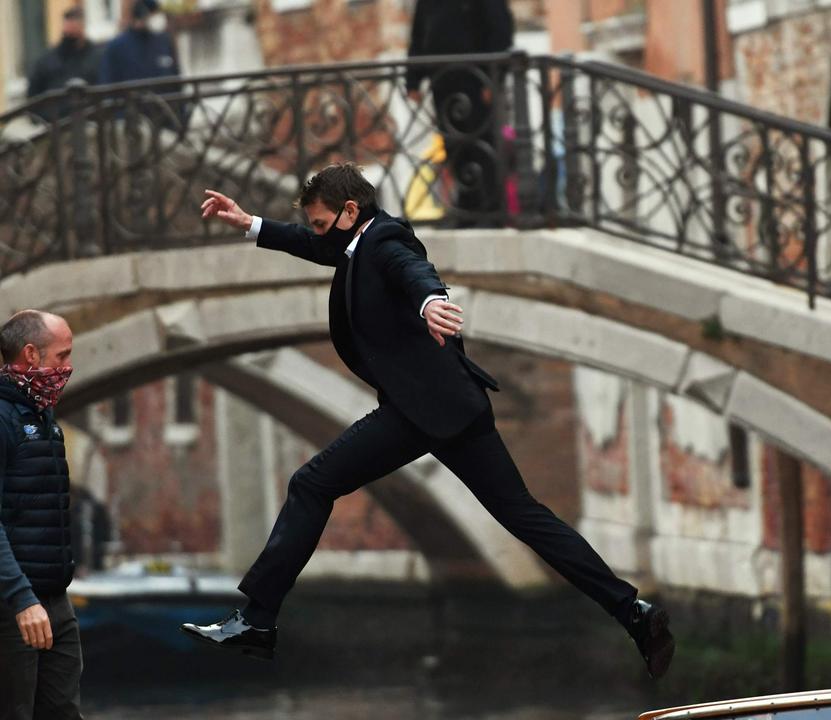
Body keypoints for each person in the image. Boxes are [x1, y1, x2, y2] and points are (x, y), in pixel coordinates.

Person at [186, 164, 676, 679]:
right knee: (525, 516)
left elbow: (412, 270)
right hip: (451, 405)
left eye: (320, 221)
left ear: (350, 212)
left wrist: (430, 301)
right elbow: (319, 247)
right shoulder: (352, 242)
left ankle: (257, 622)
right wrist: (250, 223)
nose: (316, 233)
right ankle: (634, 613)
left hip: (419, 411)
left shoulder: (386, 241)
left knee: (311, 483)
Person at [0, 310, 83, 720]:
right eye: (61, 356)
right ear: (31, 354)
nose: (67, 369)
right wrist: (20, 599)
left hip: (54, 601)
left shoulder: (44, 419)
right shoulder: (2, 419)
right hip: (14, 607)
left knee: (63, 710)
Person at [405, 0, 515, 225]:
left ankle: (491, 210)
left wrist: (494, 78)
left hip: (477, 78)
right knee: (453, 145)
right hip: (442, 77)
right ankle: (466, 207)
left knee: (482, 143)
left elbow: (500, 28)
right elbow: (420, 32)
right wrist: (413, 80)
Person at [25, 7, 99, 120]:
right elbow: (33, 97)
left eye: (75, 28)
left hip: (89, 122)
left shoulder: (96, 57)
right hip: (55, 125)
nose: (71, 32)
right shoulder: (47, 61)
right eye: (68, 29)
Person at [98, 0, 181, 87]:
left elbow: (175, 79)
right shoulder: (116, 47)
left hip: (164, 99)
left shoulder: (163, 41)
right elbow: (107, 85)